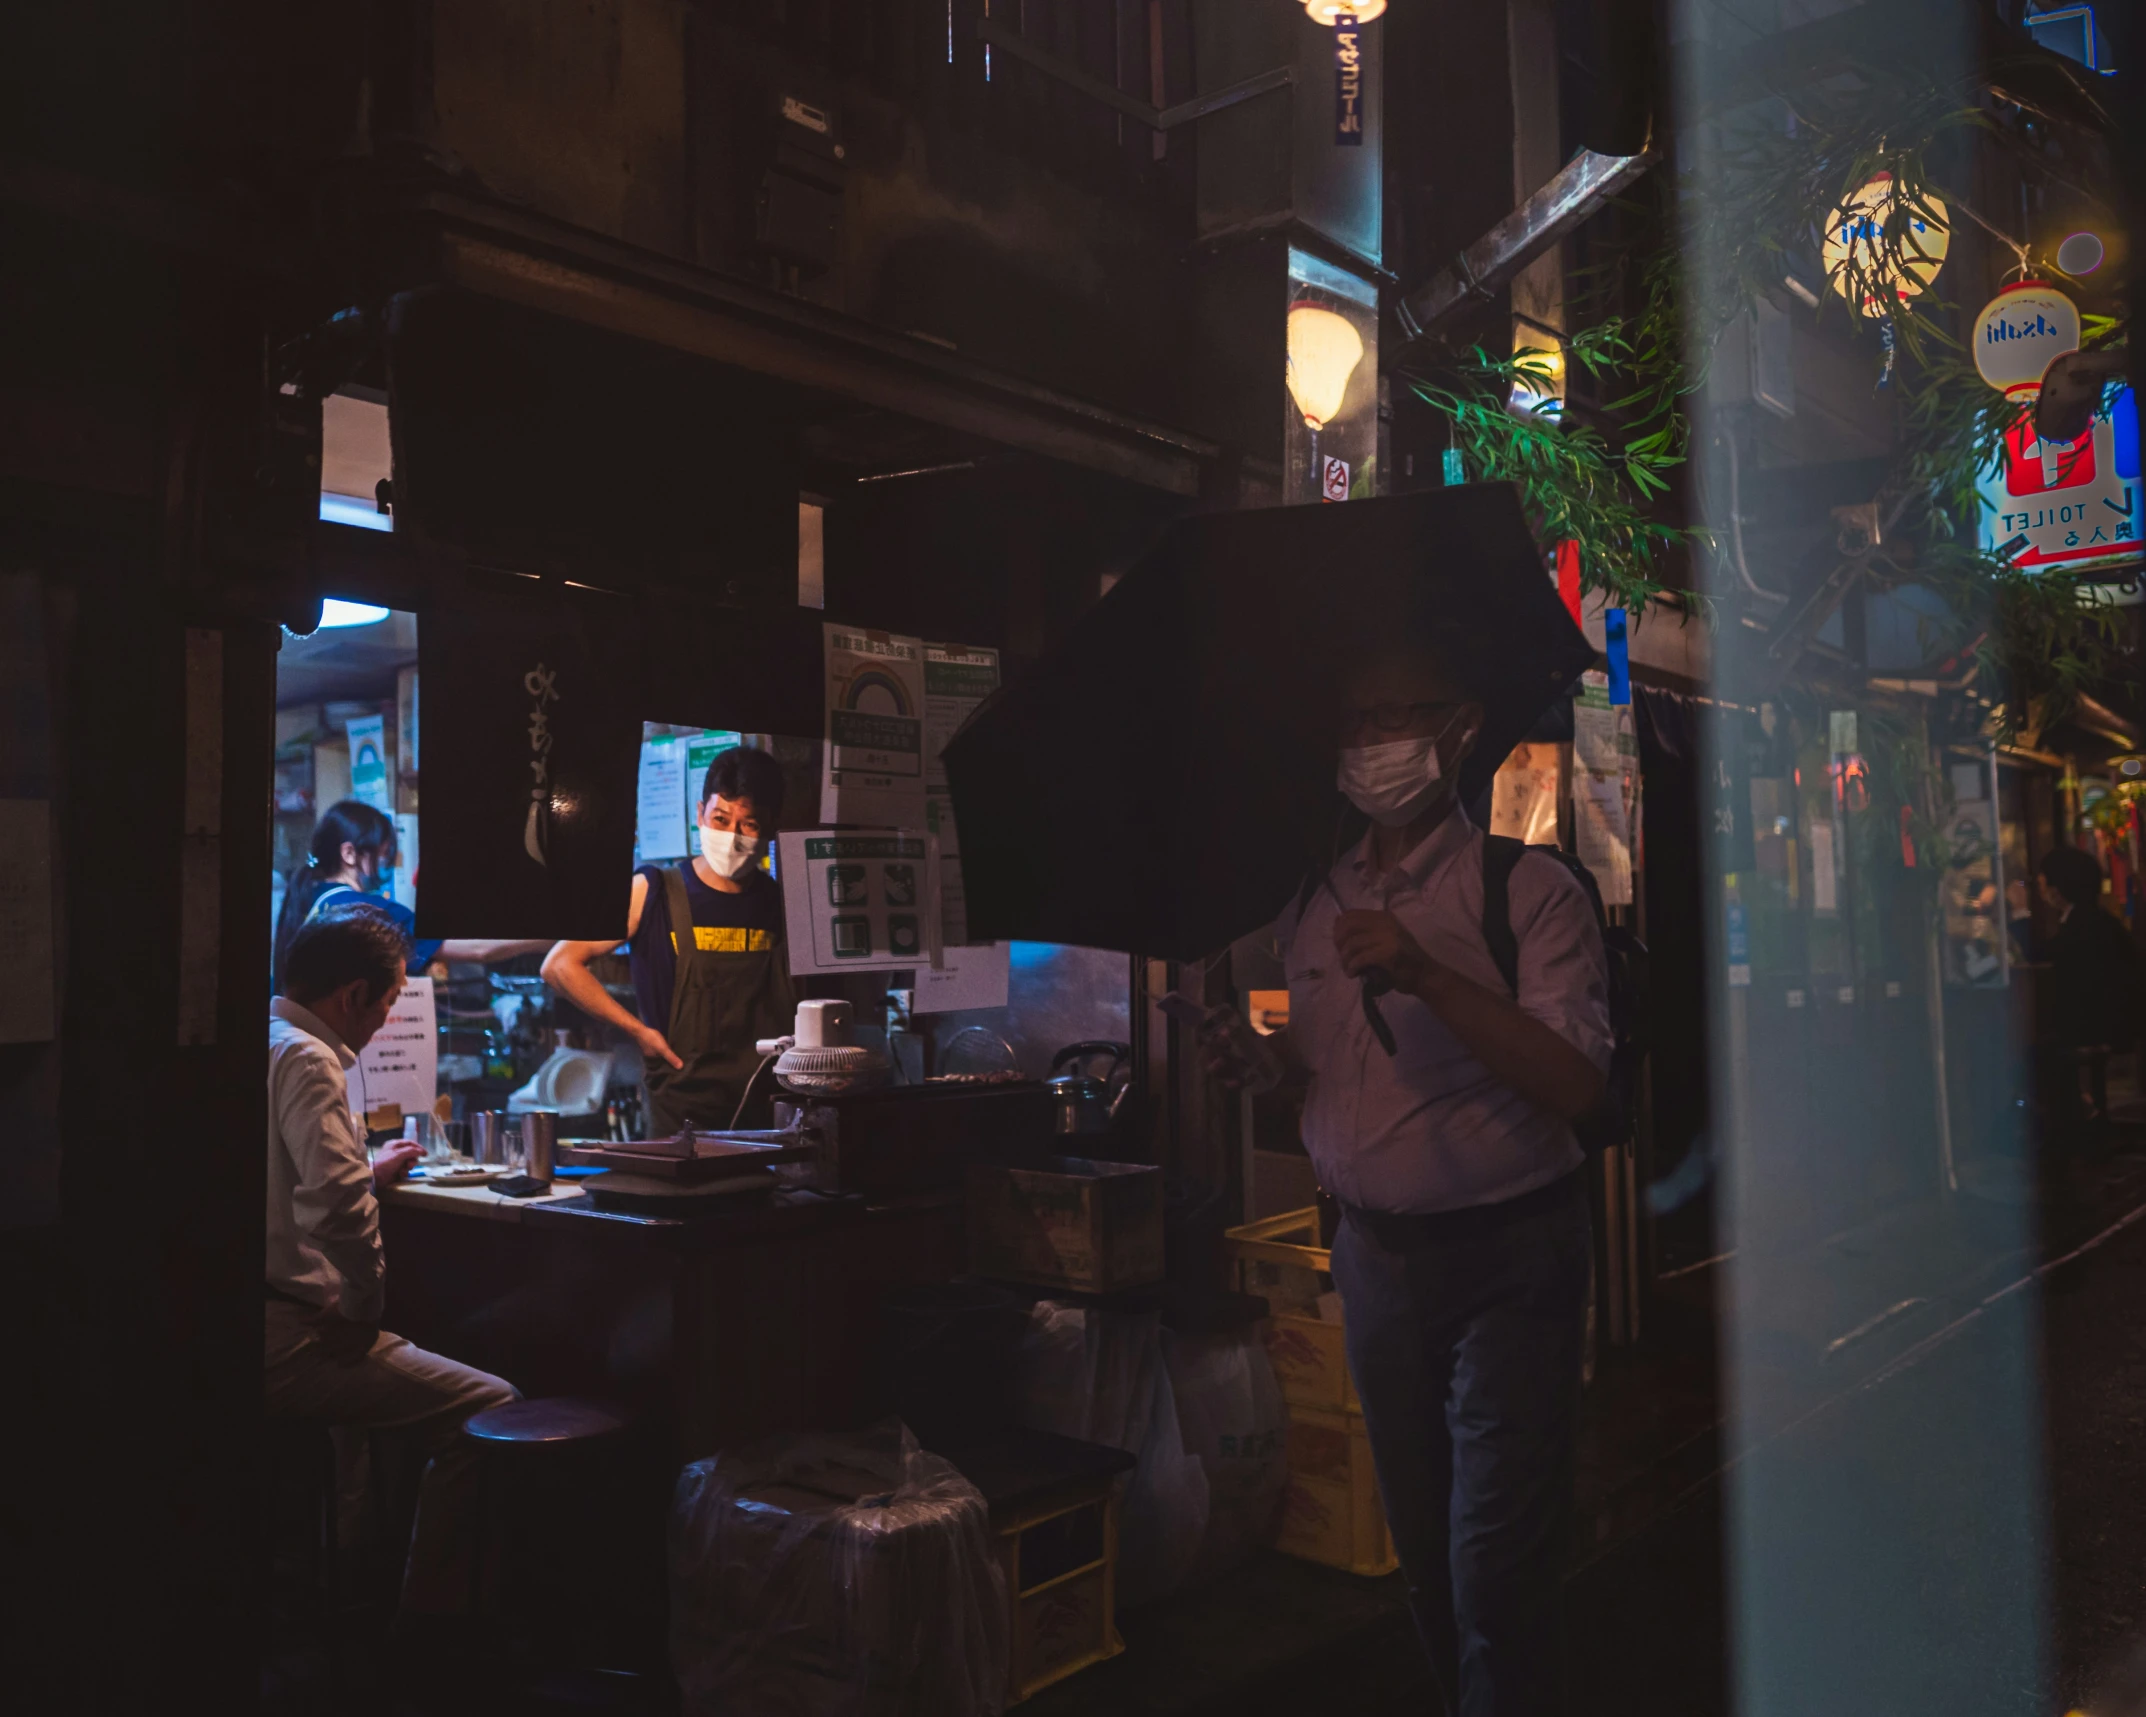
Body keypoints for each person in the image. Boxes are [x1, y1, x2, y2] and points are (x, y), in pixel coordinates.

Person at [1216, 639, 1610, 1717]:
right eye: (1355, 722)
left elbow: (1573, 1081)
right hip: (1373, 1257)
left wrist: (1428, 971)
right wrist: (1260, 1059)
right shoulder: (1314, 896)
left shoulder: (1525, 890)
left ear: (1459, 728)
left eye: (1396, 716)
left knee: (1496, 1559)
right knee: (1427, 1552)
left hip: (1509, 1255)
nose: (1372, 743)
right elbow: (1313, 1053)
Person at [263, 905, 518, 1622]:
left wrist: (366, 1169)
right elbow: (339, 1210)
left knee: (354, 1431)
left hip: (250, 1321)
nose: (384, 1018)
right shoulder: (313, 1060)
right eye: (388, 999)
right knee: (493, 1403)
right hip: (292, 1337)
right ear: (350, 996)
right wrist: (362, 1309)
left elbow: (291, 1183)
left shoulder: (264, 1038)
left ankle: (342, 1588)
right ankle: (430, 1618)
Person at [543, 744, 798, 1134]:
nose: (731, 837)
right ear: (700, 814)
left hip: (765, 1112)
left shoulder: (780, 903)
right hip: (679, 1114)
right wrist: (639, 1032)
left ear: (770, 828)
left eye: (749, 825)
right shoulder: (654, 891)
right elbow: (560, 964)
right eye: (720, 818)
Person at [272, 799, 547, 992]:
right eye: (385, 853)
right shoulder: (368, 912)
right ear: (349, 853)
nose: (390, 862)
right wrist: (551, 935)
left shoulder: (309, 897)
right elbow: (479, 948)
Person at [2036, 845, 2146, 1141]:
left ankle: (2074, 1119)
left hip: (2101, 1023)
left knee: (2037, 1051)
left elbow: (2047, 954)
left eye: (2044, 881)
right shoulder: (2096, 920)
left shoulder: (2081, 925)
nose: (2040, 887)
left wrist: (2019, 915)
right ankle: (2082, 1110)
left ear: (2059, 890)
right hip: (2114, 1019)